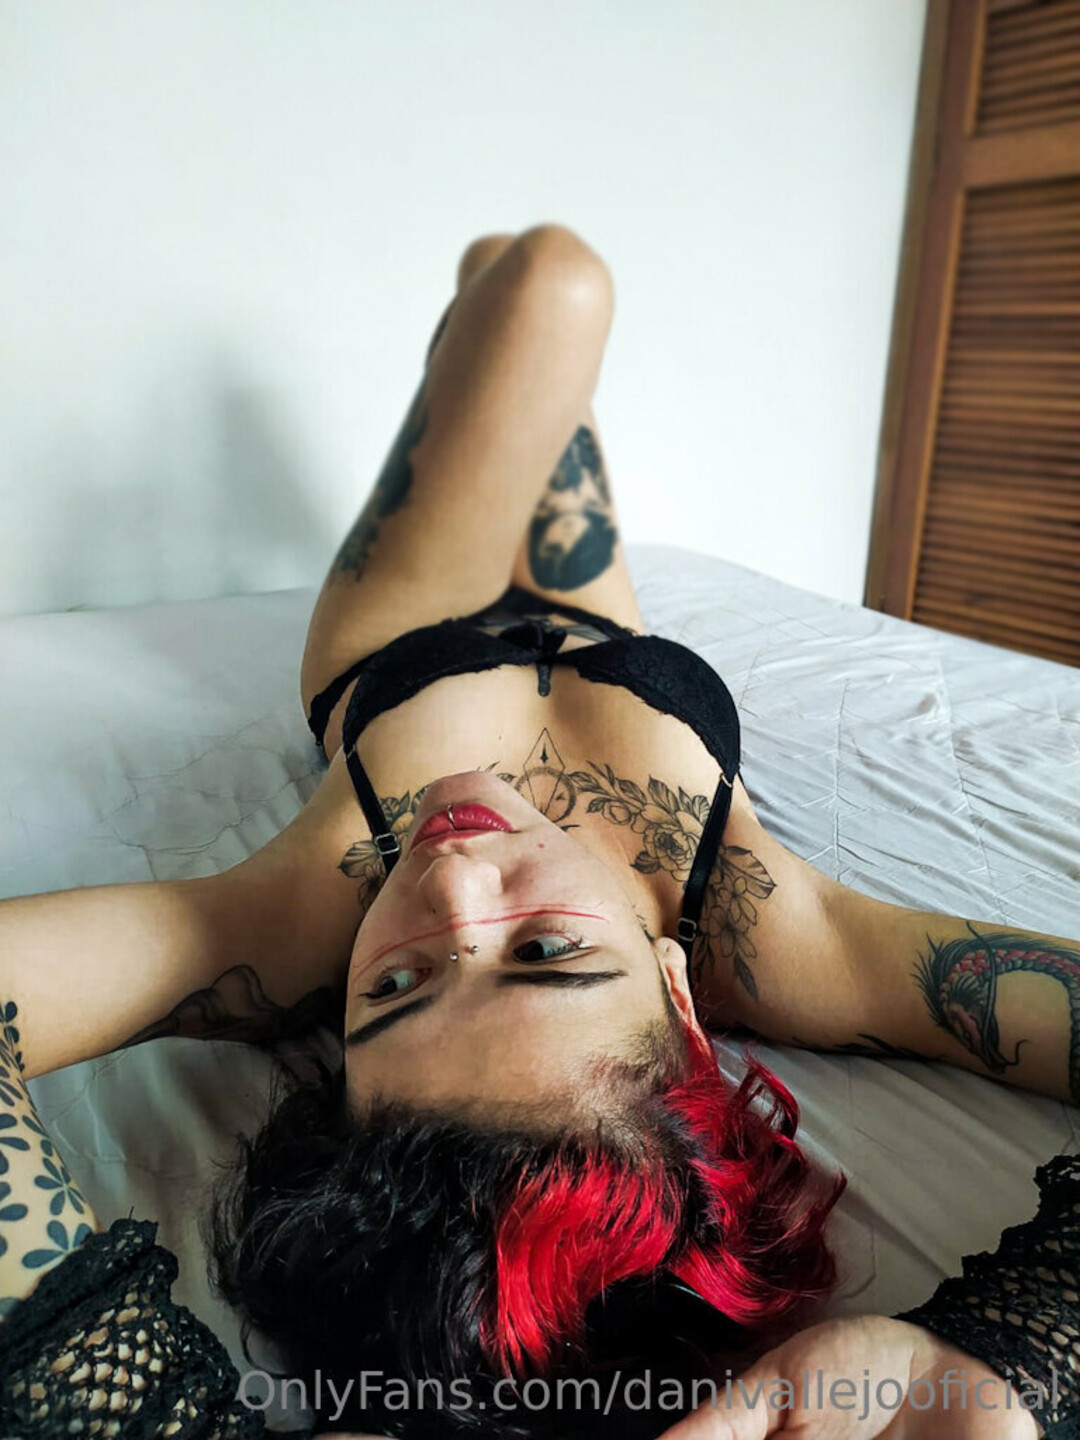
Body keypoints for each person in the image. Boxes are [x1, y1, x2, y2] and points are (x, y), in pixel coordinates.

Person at [1, 225, 1078, 1440]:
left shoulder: (284, 932)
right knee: (553, 279)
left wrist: (130, 1405)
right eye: (548, 953)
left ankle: (470, 302)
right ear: (681, 1000)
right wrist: (1013, 1356)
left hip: (415, 640)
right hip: (616, 649)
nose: (450, 882)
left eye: (396, 985)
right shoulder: (780, 940)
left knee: (541, 282)